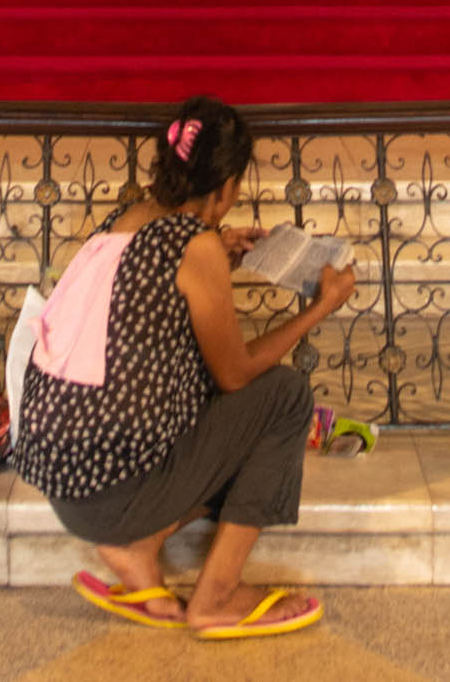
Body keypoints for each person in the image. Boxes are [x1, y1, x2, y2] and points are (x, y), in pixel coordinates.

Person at [20, 98, 353, 640]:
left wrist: (219, 248)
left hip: (67, 489)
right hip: (115, 496)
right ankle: (218, 595)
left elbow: (147, 278)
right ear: (225, 187)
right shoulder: (193, 246)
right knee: (285, 396)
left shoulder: (125, 218)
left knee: (191, 393)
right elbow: (236, 375)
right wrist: (320, 307)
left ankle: (138, 551)